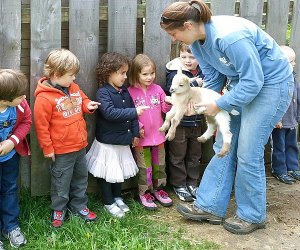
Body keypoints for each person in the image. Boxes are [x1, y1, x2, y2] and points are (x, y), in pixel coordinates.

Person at [160, 0, 294, 234]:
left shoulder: (229, 37)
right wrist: (201, 100)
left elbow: (254, 81)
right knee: (224, 143)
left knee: (248, 151)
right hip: (243, 85)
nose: (173, 39)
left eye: (174, 33)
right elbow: (213, 78)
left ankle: (251, 214)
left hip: (271, 85)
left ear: (189, 25)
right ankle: (210, 205)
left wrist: (219, 103)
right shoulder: (199, 43)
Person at [34, 48, 99, 228]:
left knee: (81, 179)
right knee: (61, 183)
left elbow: (83, 100)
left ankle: (79, 206)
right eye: (71, 75)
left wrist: (88, 105)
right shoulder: (44, 99)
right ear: (56, 74)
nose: (74, 79)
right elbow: (41, 127)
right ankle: (59, 209)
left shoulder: (74, 88)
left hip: (80, 146)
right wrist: (48, 149)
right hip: (62, 151)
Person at [86, 52, 147, 218]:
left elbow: (135, 116)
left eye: (126, 73)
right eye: (122, 73)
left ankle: (118, 197)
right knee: (107, 175)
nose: (125, 77)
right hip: (108, 143)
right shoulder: (103, 93)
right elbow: (110, 113)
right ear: (108, 72)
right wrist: (134, 111)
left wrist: (135, 134)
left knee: (118, 172)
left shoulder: (125, 92)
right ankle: (108, 202)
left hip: (122, 141)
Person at [128, 54, 173, 210]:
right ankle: (144, 192)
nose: (149, 77)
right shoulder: (130, 92)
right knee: (144, 167)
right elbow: (130, 113)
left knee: (159, 164)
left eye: (152, 73)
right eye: (145, 74)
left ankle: (159, 189)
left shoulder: (158, 89)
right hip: (141, 138)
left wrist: (168, 102)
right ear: (135, 73)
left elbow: (164, 109)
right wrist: (138, 126)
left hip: (159, 136)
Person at [165, 43, 204, 201]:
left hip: (197, 120)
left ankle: (192, 182)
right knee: (178, 154)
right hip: (180, 122)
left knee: (195, 154)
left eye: (192, 57)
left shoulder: (203, 70)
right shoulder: (174, 72)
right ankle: (179, 184)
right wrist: (195, 83)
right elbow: (171, 88)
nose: (188, 61)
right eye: (184, 57)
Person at [0, 69, 31, 248]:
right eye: (20, 95)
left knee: (10, 190)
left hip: (10, 158)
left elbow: (27, 121)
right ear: (5, 99)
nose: (24, 97)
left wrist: (13, 141)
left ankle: (11, 227)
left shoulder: (21, 105)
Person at [271, 46, 300, 184]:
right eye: (291, 61)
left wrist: (298, 116)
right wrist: (276, 119)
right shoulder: (276, 80)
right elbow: (273, 102)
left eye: (294, 61)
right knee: (279, 147)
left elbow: (298, 99)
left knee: (292, 145)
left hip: (292, 120)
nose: (294, 64)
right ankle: (280, 170)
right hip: (280, 123)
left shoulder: (294, 79)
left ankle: (293, 168)